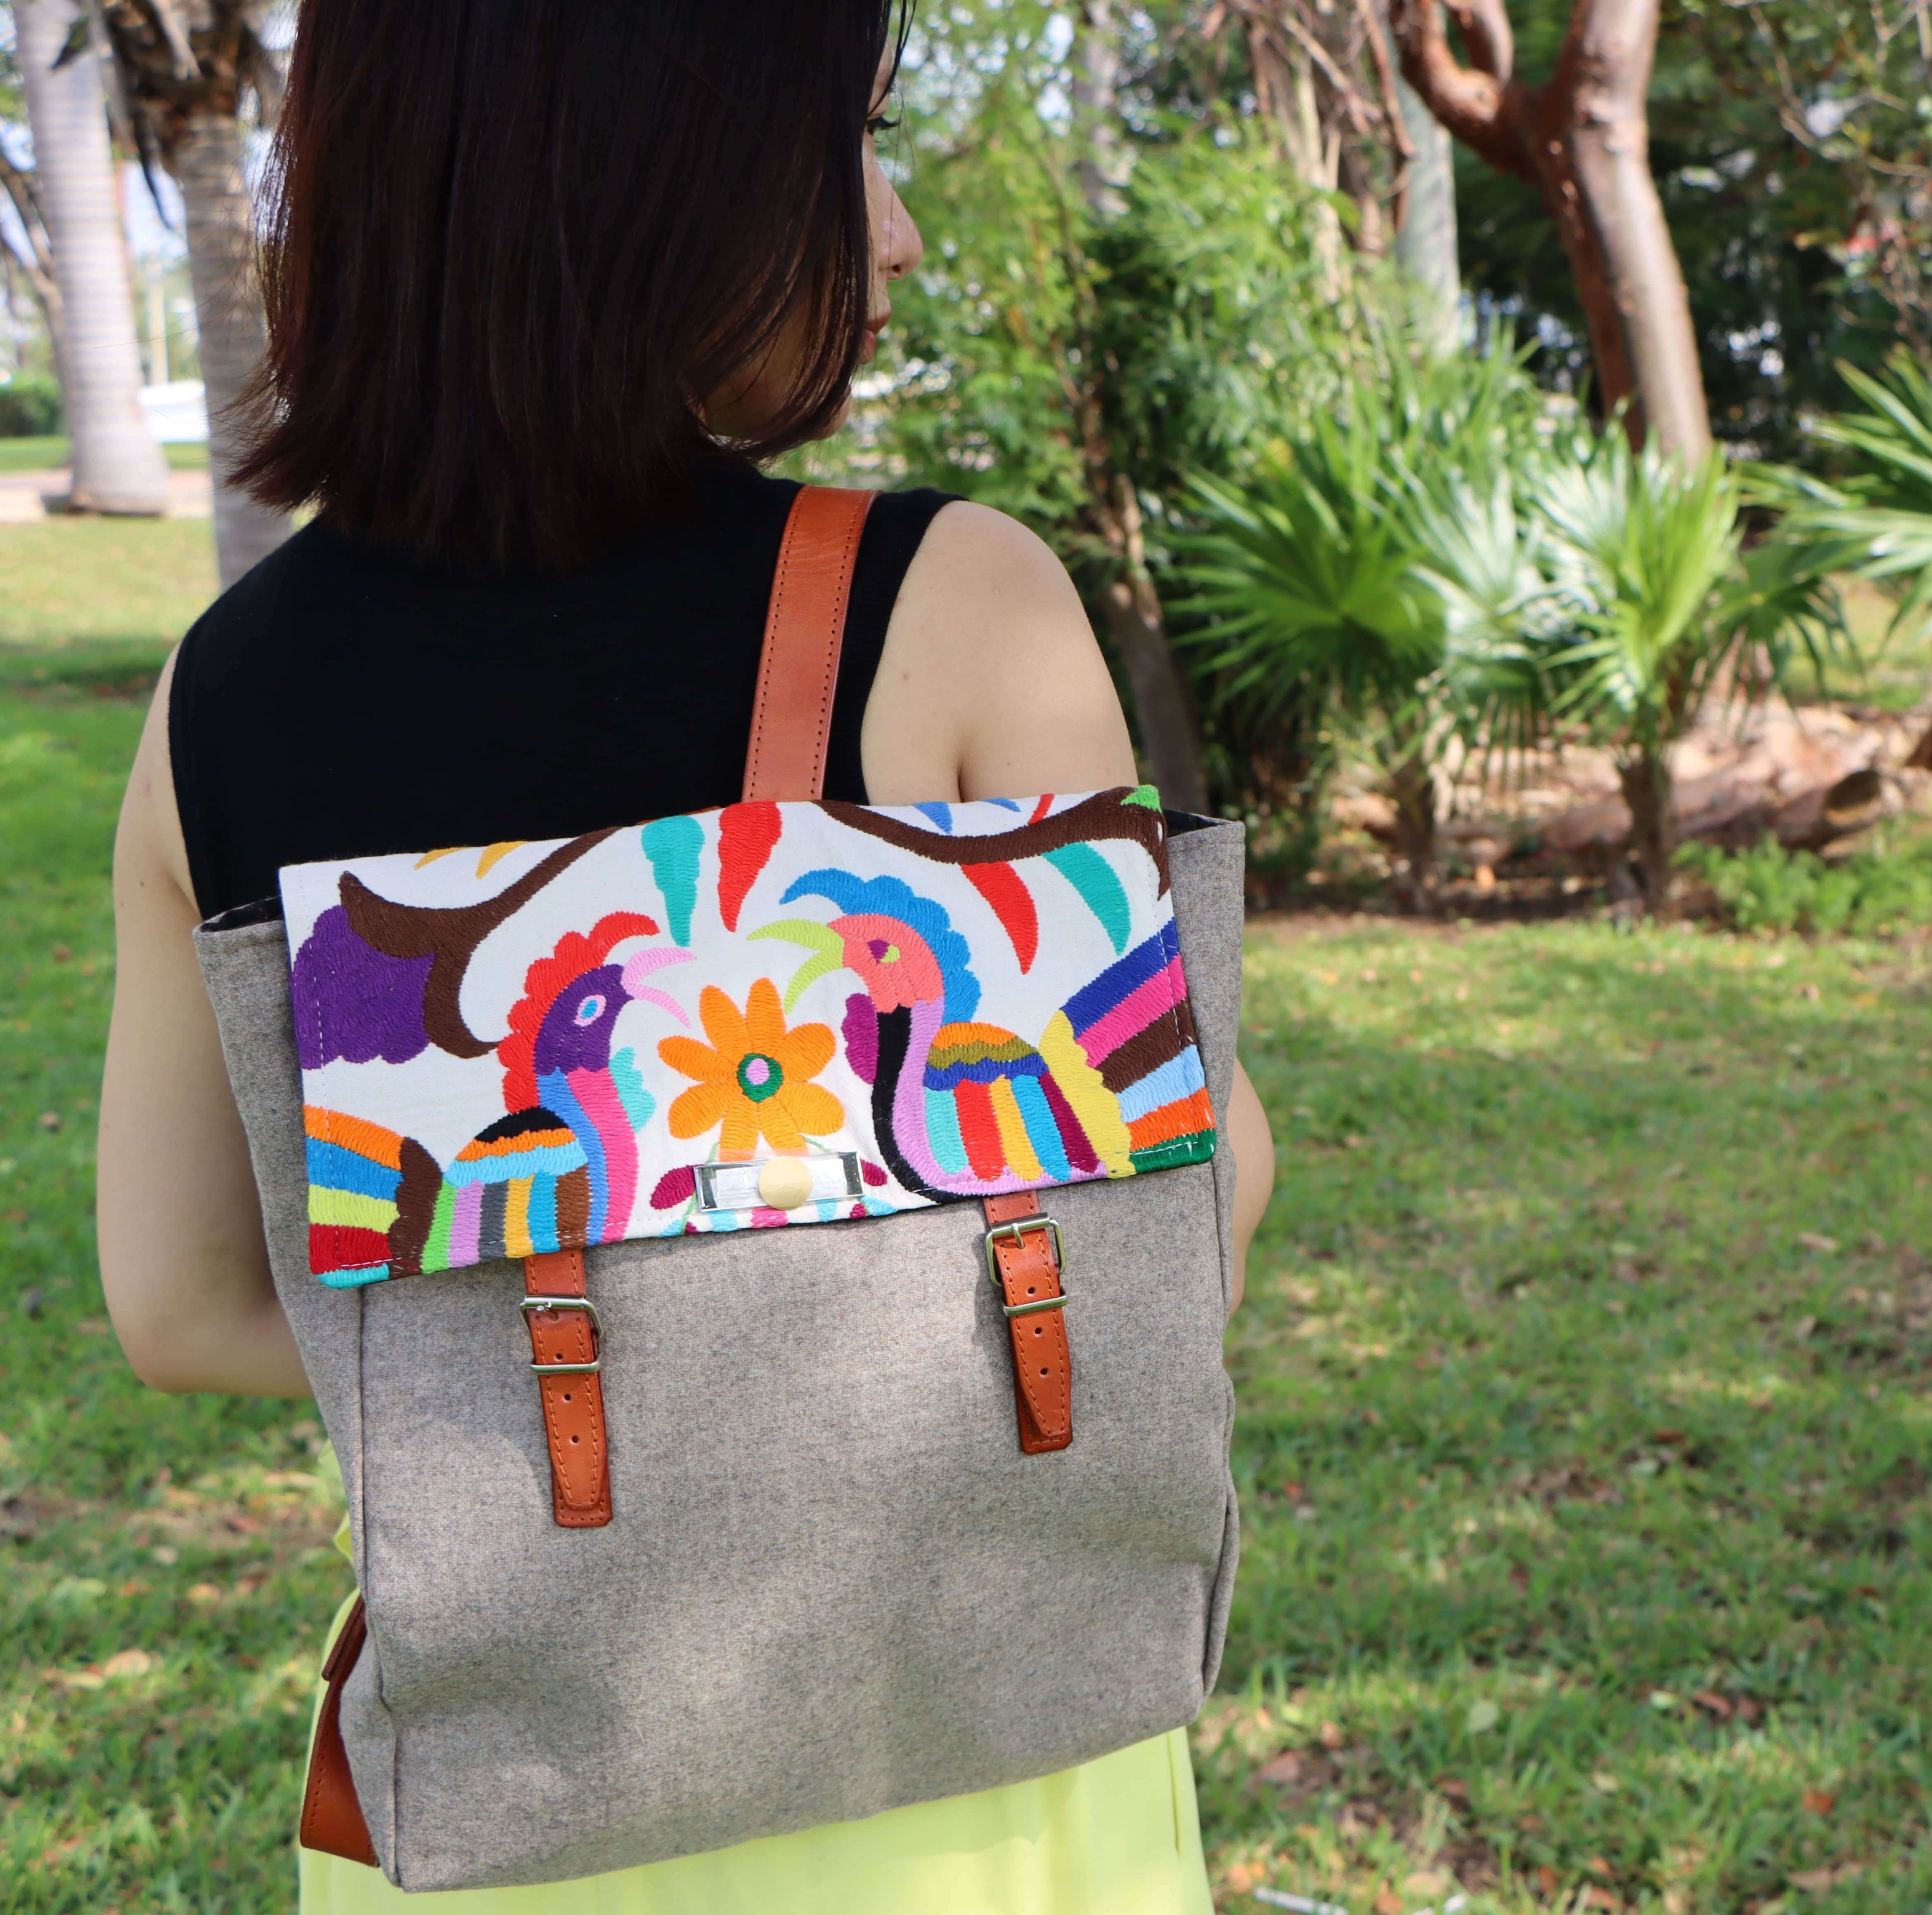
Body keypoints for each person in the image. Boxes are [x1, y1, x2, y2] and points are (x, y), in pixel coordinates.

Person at [92, 3, 1274, 1908]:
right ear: (657, 167)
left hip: (521, 1766)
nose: (897, 231)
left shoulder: (218, 699)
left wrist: (535, 1346)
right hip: (965, 1748)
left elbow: (179, 1304)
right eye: (854, 139)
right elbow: (1194, 1196)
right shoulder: (956, 602)